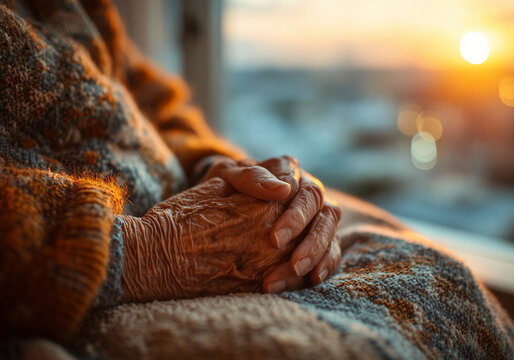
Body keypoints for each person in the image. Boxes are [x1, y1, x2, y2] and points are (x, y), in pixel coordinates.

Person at [0, 0, 341, 341]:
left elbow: (160, 108)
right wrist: (140, 253)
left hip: (183, 215)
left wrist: (217, 168)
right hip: (103, 273)